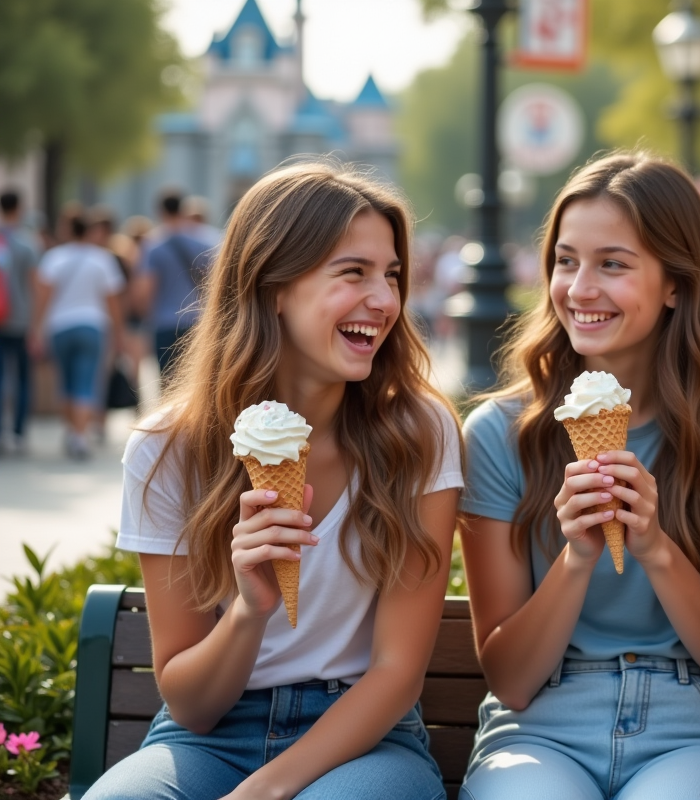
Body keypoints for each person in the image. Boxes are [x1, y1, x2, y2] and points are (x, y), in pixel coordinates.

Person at [82, 162, 462, 800]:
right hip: (206, 740)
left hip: (365, 738)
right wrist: (249, 611)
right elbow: (193, 705)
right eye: (354, 272)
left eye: (392, 275)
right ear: (272, 286)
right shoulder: (167, 447)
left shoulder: (419, 432)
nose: (386, 299)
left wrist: (263, 791)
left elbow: (397, 672)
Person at [458, 151, 700, 800]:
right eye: (566, 260)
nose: (579, 289)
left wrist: (657, 547)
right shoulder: (499, 433)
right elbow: (511, 680)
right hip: (538, 725)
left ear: (677, 285)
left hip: (694, 724)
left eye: (612, 264)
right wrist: (576, 558)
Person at [29, 213, 125, 459]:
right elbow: (113, 301)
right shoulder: (102, 259)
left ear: (67, 229)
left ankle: (73, 431)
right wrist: (118, 332)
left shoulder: (54, 258)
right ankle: (80, 436)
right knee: (86, 380)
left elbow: (42, 297)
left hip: (59, 326)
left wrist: (37, 328)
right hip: (93, 326)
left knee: (66, 381)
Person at [135, 190, 213, 384]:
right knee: (195, 383)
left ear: (160, 211)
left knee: (168, 383)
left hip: (164, 323)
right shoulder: (205, 241)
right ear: (183, 209)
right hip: (198, 321)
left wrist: (144, 315)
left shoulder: (153, 245)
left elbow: (145, 289)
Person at [0, 189, 40, 454]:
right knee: (24, 377)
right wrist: (37, 324)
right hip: (21, 319)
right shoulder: (28, 243)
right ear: (20, 208)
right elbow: (35, 285)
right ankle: (18, 433)